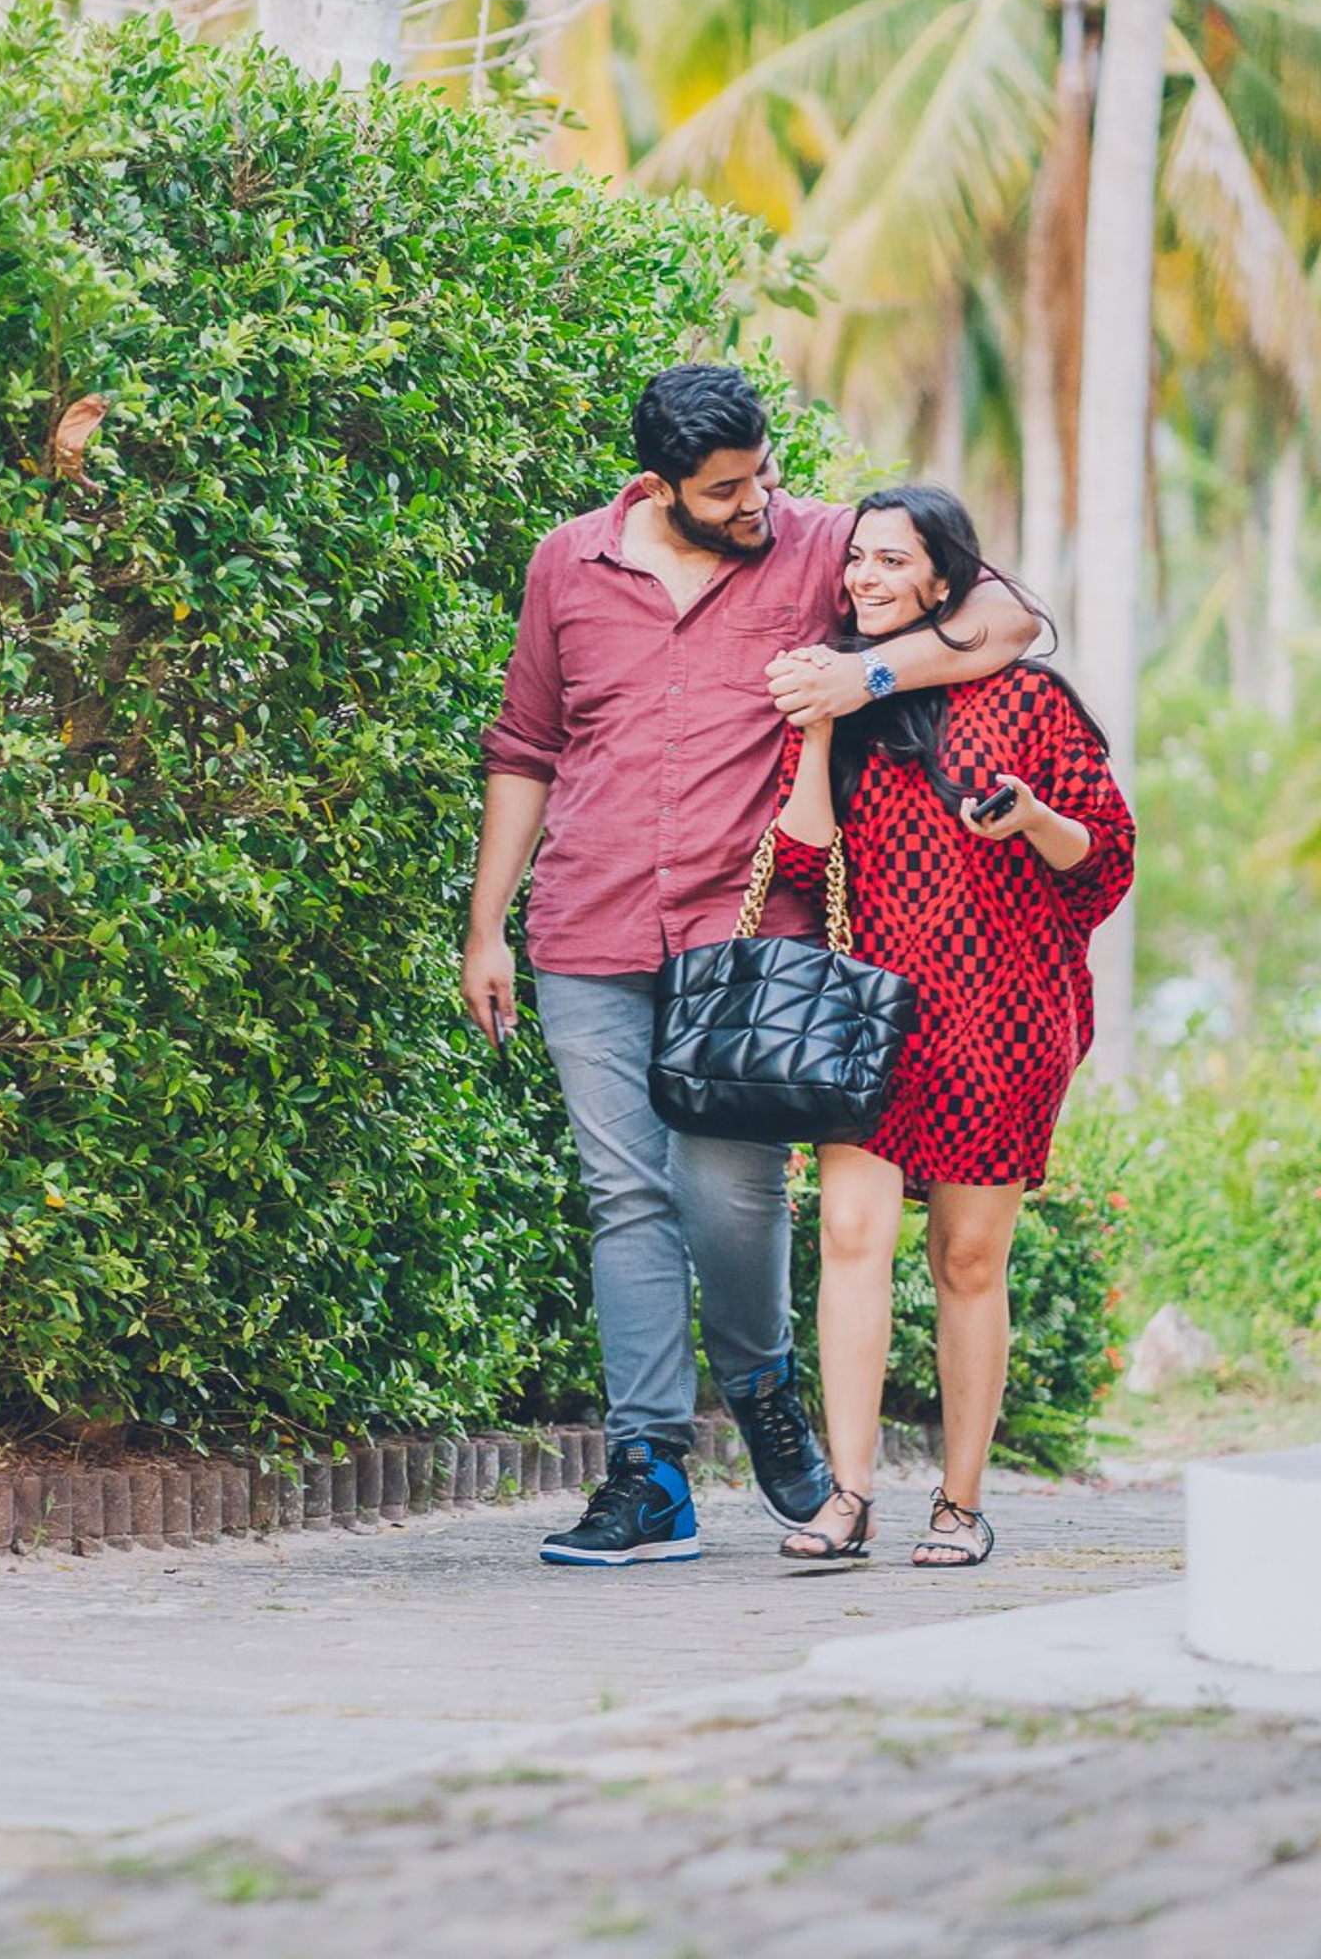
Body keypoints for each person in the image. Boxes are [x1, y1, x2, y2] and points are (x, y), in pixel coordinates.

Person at [463, 367, 1040, 1567]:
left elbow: (1006, 618)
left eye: (764, 473)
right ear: (660, 484)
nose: (757, 501)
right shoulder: (567, 563)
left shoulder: (814, 541)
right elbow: (525, 745)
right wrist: (486, 924)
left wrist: (866, 672)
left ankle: (764, 1382)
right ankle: (649, 1472)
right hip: (587, 927)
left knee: (729, 1199)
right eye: (727, 489)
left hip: (746, 947)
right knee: (622, 1197)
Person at [767, 486, 1135, 1568]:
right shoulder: (844, 692)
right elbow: (799, 861)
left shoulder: (1028, 701)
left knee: (968, 1259)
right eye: (857, 561)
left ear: (943, 580)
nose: (865, 579)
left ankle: (960, 1506)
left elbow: (1103, 859)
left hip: (1002, 1015)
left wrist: (1030, 817)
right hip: (871, 1019)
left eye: (892, 561)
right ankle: (846, 1496)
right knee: (847, 1237)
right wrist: (819, 726)